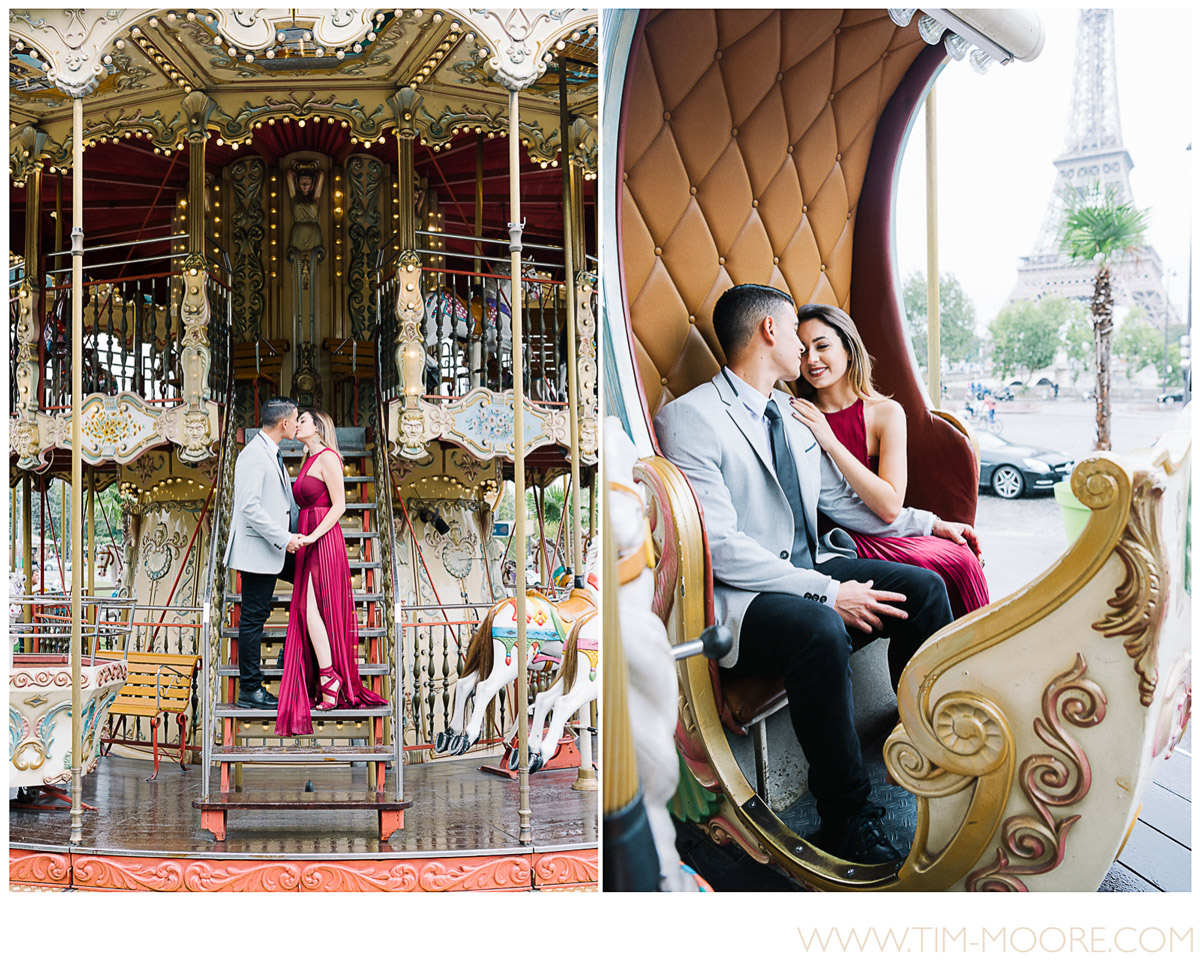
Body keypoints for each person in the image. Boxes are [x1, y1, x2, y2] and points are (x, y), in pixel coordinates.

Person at [654, 283, 978, 864]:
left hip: (810, 567)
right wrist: (829, 592)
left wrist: (930, 524)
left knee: (925, 588)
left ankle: (929, 747)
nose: (806, 358)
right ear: (770, 332)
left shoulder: (789, 413)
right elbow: (721, 548)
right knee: (820, 629)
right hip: (746, 598)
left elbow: (842, 503)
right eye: (795, 338)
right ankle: (847, 817)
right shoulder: (692, 416)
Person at [790, 303, 989, 618]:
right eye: (802, 351)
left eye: (822, 346)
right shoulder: (799, 415)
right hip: (837, 543)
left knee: (961, 557)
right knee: (953, 563)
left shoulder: (885, 413)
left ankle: (970, 658)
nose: (811, 359)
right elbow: (875, 509)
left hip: (880, 528)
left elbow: (889, 503)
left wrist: (829, 441)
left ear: (849, 349)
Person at [275, 409, 386, 736]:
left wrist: (311, 535)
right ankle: (328, 675)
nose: (298, 425)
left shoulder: (328, 458)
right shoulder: (307, 459)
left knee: (311, 609)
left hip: (322, 538)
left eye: (304, 421)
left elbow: (340, 506)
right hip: (308, 535)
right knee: (308, 610)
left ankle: (330, 676)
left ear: (319, 427)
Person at [224, 396, 304, 708]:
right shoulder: (253, 455)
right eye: (296, 419)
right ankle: (250, 689)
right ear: (285, 423)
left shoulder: (271, 452)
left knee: (311, 581)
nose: (297, 425)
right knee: (253, 618)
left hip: (274, 546)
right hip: (259, 549)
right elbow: (249, 507)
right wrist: (284, 538)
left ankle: (292, 649)